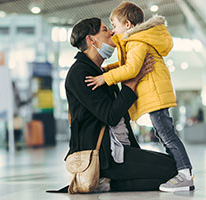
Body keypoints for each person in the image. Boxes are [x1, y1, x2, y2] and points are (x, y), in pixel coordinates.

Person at [55, 17, 177, 193]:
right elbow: (110, 116)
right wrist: (132, 83)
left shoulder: (101, 72)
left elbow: (120, 114)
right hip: (102, 155)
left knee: (172, 166)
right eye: (105, 30)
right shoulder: (80, 74)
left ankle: (109, 182)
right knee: (171, 169)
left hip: (118, 149)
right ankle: (106, 183)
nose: (112, 32)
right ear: (91, 40)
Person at [83, 2, 194, 192]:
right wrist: (108, 69)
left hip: (156, 96)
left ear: (127, 25)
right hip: (155, 95)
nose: (112, 31)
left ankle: (184, 174)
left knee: (167, 134)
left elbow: (131, 69)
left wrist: (104, 78)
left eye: (115, 25)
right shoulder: (134, 43)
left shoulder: (138, 42)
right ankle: (181, 172)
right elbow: (125, 64)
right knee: (163, 133)